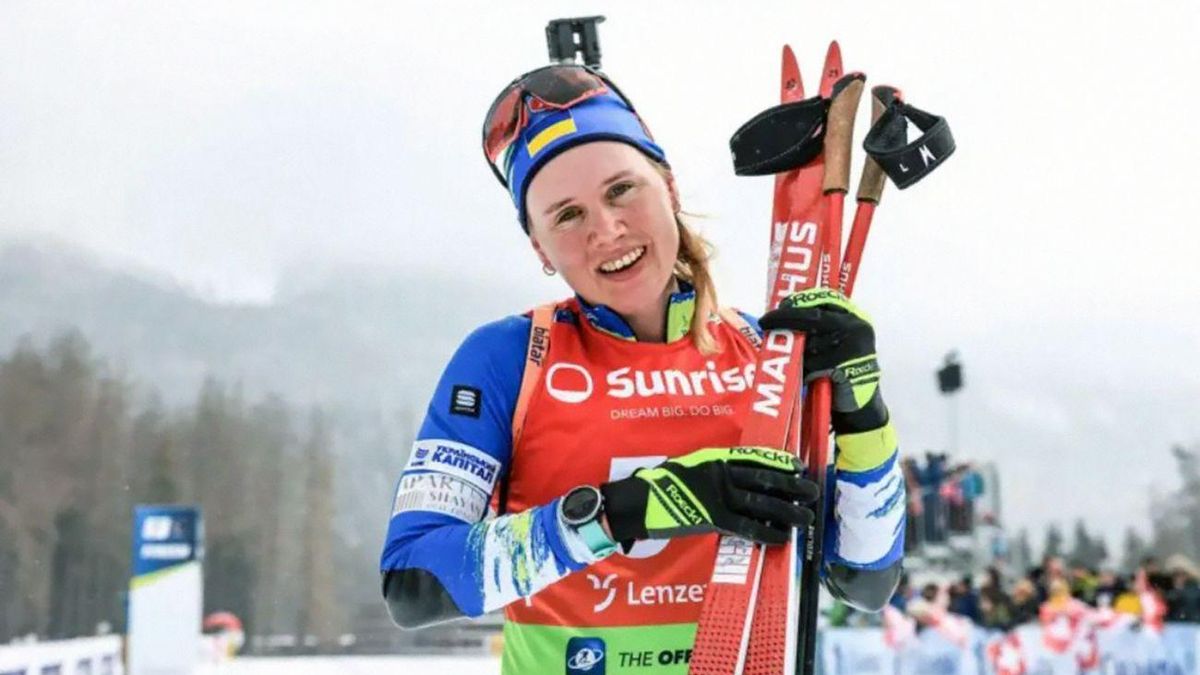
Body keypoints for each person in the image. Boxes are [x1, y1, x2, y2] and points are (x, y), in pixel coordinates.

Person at [378, 62, 905, 674]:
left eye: (621, 190)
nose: (606, 230)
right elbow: (413, 581)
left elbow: (865, 580)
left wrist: (864, 415)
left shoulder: (768, 352)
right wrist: (634, 508)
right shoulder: (511, 357)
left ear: (670, 189)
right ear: (540, 247)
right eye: (567, 215)